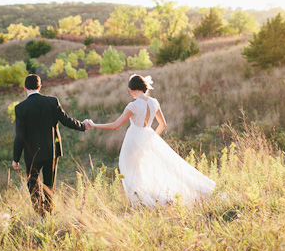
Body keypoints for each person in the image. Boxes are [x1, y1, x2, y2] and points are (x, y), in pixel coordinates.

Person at [86, 74, 215, 207]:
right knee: (141, 169)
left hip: (133, 140)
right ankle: (144, 200)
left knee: (129, 170)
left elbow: (115, 126)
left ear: (132, 89)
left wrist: (94, 125)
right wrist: (150, 140)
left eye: (129, 90)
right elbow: (162, 124)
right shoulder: (154, 102)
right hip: (146, 136)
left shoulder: (133, 105)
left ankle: (139, 203)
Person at [12, 74, 90, 215]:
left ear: (25, 88)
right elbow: (67, 121)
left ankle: (40, 215)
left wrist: (15, 159)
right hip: (51, 151)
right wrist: (82, 126)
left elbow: (20, 136)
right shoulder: (52, 102)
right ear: (40, 86)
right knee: (49, 185)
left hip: (32, 154)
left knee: (33, 185)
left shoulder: (20, 108)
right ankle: (49, 214)